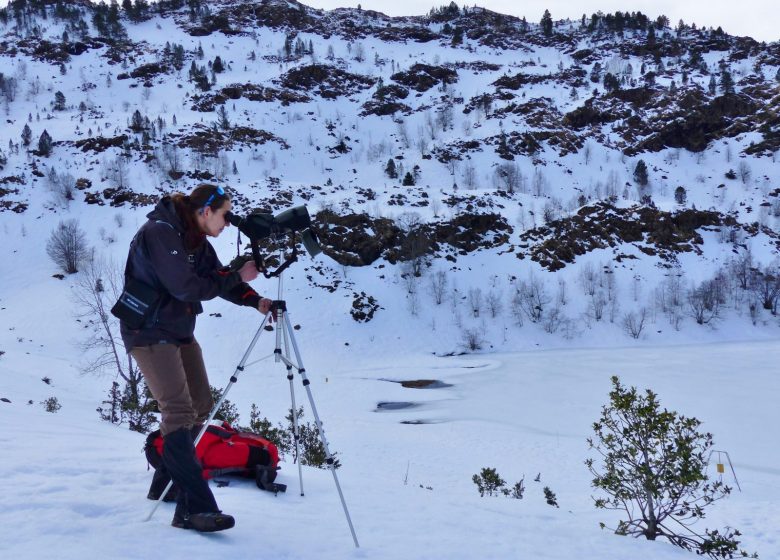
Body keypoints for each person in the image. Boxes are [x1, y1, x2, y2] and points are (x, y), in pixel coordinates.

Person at [119, 184, 272, 532]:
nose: (227, 224)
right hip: (148, 331)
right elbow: (187, 287)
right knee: (178, 411)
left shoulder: (194, 239)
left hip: (177, 330)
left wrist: (255, 300)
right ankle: (195, 509)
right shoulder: (160, 233)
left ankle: (166, 484)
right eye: (224, 215)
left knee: (201, 406)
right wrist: (237, 273)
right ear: (205, 211)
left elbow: (219, 280)